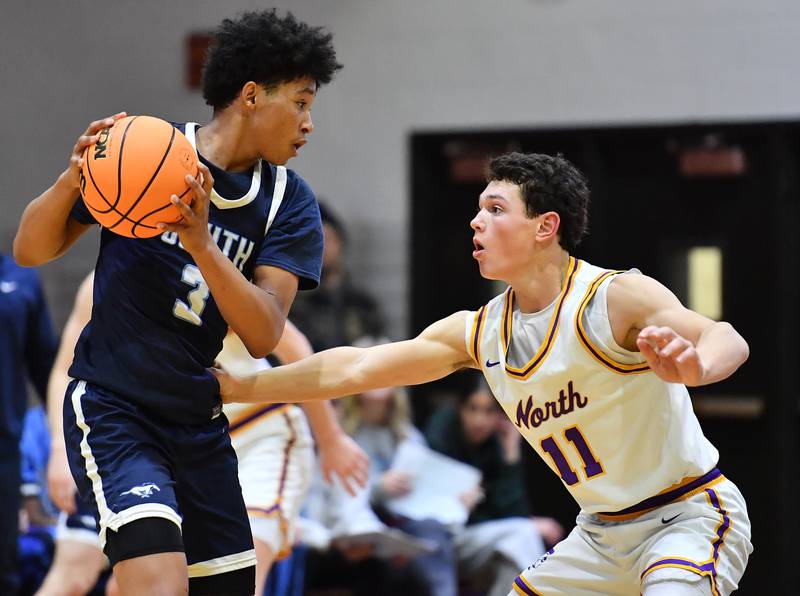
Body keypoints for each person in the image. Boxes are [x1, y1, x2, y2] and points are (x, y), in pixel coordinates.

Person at [215, 152, 753, 595]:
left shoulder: (613, 297)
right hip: (599, 535)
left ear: (546, 227)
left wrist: (698, 367)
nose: (476, 222)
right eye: (478, 209)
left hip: (687, 515)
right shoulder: (478, 332)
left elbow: (726, 336)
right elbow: (354, 367)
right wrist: (243, 387)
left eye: (496, 209)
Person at [14, 9, 341, 595]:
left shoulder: (288, 203)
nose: (308, 123)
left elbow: (265, 334)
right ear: (250, 96)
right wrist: (72, 178)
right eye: (300, 102)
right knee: (156, 585)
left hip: (199, 422)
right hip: (115, 407)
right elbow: (30, 250)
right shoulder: (147, 150)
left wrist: (202, 243)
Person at [40, 273, 368, 596]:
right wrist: (59, 449)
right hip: (147, 436)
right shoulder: (104, 278)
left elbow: (294, 348)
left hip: (256, 435)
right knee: (90, 576)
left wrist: (330, 438)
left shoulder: (215, 268)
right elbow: (64, 370)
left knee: (233, 580)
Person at [425, 374, 564, 596]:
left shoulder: (499, 442)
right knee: (523, 534)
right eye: (472, 408)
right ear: (460, 408)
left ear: (500, 414)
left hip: (486, 542)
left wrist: (511, 455)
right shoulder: (441, 432)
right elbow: (427, 509)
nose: (479, 420)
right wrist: (458, 504)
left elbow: (513, 513)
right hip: (442, 540)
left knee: (512, 556)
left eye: (489, 411)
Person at [0, 252, 58, 595]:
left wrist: (64, 444)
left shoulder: (20, 279)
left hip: (3, 455)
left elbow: (46, 368)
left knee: (5, 571)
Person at [289, 202, 386, 351]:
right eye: (316, 241)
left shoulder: (362, 302)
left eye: (328, 240)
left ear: (340, 242)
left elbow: (378, 340)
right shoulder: (297, 303)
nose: (323, 247)